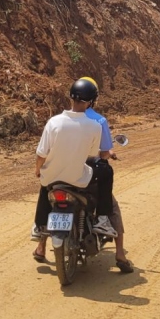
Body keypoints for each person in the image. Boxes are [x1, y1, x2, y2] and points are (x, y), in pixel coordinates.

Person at [30, 79, 104, 265]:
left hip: (52, 179)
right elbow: (92, 155)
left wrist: (38, 170)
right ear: (91, 102)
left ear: (70, 97)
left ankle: (39, 230)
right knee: (97, 184)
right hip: (77, 180)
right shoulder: (95, 126)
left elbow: (41, 154)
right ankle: (97, 221)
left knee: (45, 188)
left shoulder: (53, 123)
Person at [77, 76, 134, 273]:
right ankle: (119, 253)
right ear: (94, 98)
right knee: (113, 206)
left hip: (66, 172)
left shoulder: (61, 120)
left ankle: (40, 243)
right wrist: (109, 153)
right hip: (90, 174)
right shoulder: (98, 120)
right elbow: (103, 152)